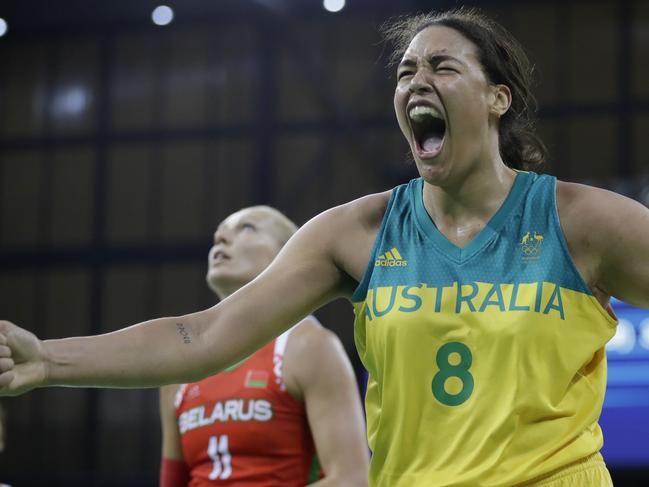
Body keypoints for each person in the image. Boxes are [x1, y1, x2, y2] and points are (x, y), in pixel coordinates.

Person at [1, 6, 648, 486]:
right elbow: (205, 333)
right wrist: (49, 360)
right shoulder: (356, 231)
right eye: (405, 71)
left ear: (496, 98)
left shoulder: (580, 220)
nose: (415, 81)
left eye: (441, 66)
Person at [158, 206, 368, 486]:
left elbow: (353, 478)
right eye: (218, 235)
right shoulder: (181, 369)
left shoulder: (309, 347)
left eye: (246, 228)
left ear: (286, 253)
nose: (220, 239)